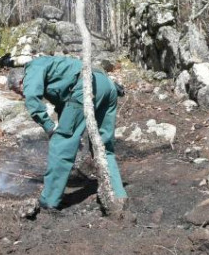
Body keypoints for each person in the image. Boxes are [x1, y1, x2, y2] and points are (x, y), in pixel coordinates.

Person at [7, 55, 127, 216]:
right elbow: (66, 104)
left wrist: (50, 128)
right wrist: (71, 134)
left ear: (21, 81)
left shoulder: (31, 70)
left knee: (60, 145)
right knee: (103, 146)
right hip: (107, 86)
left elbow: (33, 102)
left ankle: (49, 200)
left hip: (86, 86)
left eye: (18, 91)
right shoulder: (52, 68)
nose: (21, 95)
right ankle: (117, 194)